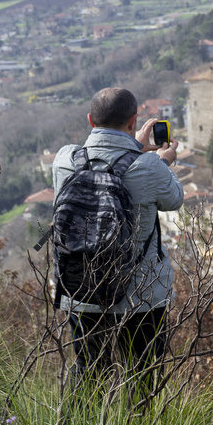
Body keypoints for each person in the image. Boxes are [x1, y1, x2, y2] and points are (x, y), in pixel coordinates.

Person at [52, 87, 183, 378]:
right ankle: (138, 424)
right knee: (143, 377)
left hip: (81, 290)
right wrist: (163, 159)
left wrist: (132, 147)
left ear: (90, 120)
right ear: (134, 121)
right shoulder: (149, 166)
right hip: (141, 296)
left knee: (89, 376)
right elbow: (174, 199)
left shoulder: (65, 160)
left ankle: (82, 424)